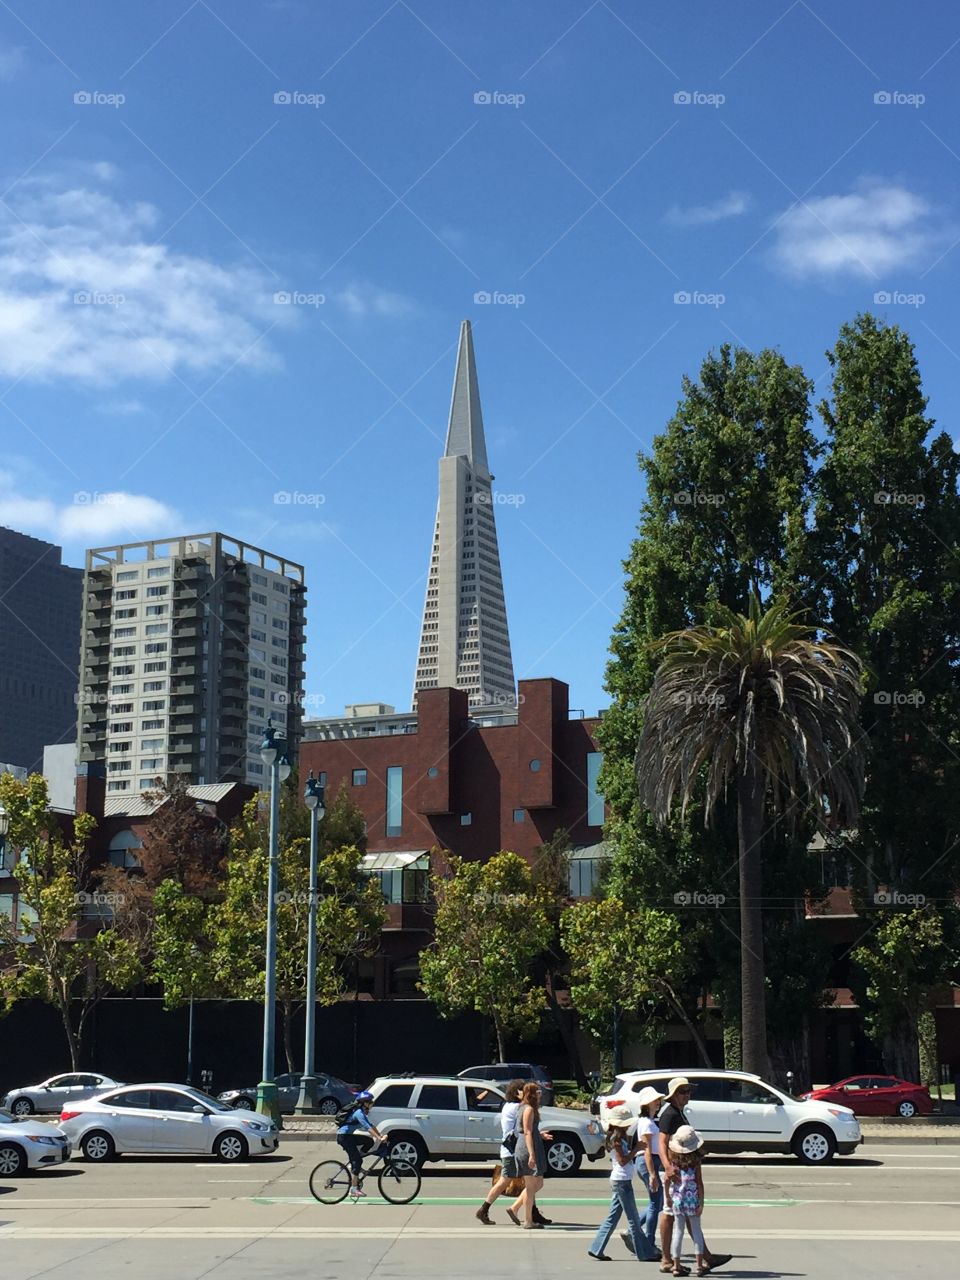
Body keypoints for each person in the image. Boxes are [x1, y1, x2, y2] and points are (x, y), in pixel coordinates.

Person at [657, 1078, 730, 1274]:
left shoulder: (678, 1112)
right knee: (669, 1213)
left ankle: (704, 1257)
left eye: (688, 1091)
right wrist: (667, 1166)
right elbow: (661, 1142)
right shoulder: (669, 1114)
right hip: (675, 1170)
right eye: (683, 1091)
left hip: (680, 1169)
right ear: (673, 1095)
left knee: (681, 1216)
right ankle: (668, 1260)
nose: (687, 1094)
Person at [587, 1104, 659, 1261]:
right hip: (621, 1182)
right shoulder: (617, 1140)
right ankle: (644, 1253)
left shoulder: (618, 1138)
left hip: (620, 1181)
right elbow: (622, 1161)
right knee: (633, 1219)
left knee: (613, 1217)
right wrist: (636, 1149)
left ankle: (596, 1248)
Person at [620, 1085, 666, 1258]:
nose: (658, 1103)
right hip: (648, 1162)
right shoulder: (646, 1122)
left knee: (658, 1203)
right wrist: (652, 1173)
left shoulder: (650, 1121)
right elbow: (646, 1149)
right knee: (656, 1203)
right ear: (647, 1104)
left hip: (650, 1162)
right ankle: (648, 1241)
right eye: (655, 1101)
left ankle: (634, 1231)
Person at [668, 1126, 707, 1277]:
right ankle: (699, 1265)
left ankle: (676, 1265)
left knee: (678, 1232)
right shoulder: (696, 1162)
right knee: (697, 1231)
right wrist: (701, 1202)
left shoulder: (674, 1161)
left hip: (678, 1200)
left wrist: (668, 1198)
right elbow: (699, 1182)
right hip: (693, 1200)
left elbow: (667, 1181)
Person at [513, 1081, 553, 1229]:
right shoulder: (528, 1109)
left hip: (532, 1144)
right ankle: (528, 1221)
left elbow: (530, 1130)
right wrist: (531, 1154)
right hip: (527, 1148)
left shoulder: (525, 1107)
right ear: (532, 1094)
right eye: (538, 1092)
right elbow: (527, 1132)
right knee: (531, 1186)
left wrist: (540, 1135)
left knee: (538, 1183)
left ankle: (515, 1208)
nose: (540, 1095)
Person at [336, 1090, 386, 1198]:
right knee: (358, 1160)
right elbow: (368, 1128)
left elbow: (371, 1125)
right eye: (370, 1102)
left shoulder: (361, 1112)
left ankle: (354, 1163)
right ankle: (353, 1189)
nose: (371, 1104)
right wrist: (378, 1138)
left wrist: (380, 1135)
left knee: (368, 1141)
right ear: (364, 1103)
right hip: (344, 1137)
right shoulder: (358, 1113)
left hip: (348, 1136)